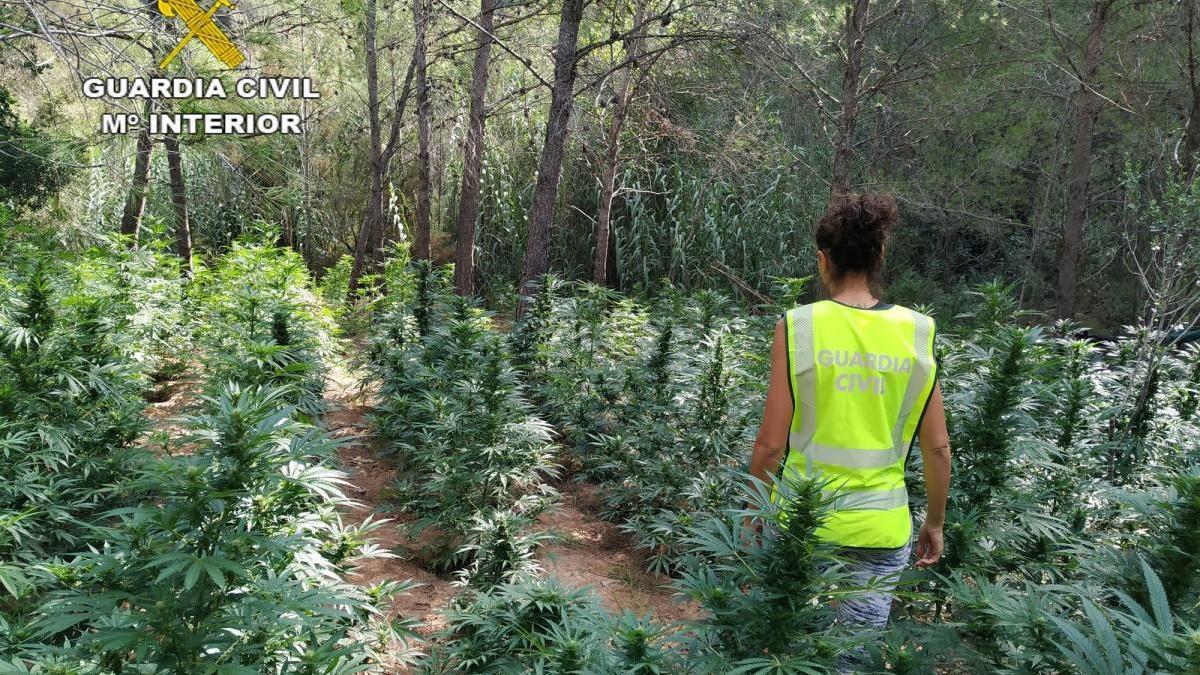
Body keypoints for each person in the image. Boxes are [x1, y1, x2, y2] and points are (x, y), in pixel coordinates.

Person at [748, 192, 952, 667]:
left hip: (802, 520)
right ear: (879, 254)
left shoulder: (800, 327)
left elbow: (770, 443)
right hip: (879, 530)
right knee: (851, 659)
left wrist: (753, 515)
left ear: (823, 261)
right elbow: (937, 446)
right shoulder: (918, 331)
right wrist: (934, 522)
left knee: (793, 652)